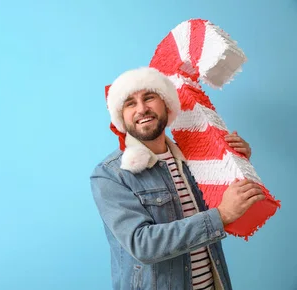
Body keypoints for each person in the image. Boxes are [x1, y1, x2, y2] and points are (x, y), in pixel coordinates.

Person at [90, 67, 265, 290]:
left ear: (166, 104)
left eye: (149, 97)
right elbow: (142, 244)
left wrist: (237, 162)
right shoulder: (110, 175)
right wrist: (220, 215)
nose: (142, 109)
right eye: (130, 103)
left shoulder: (195, 159)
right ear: (121, 117)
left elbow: (233, 206)